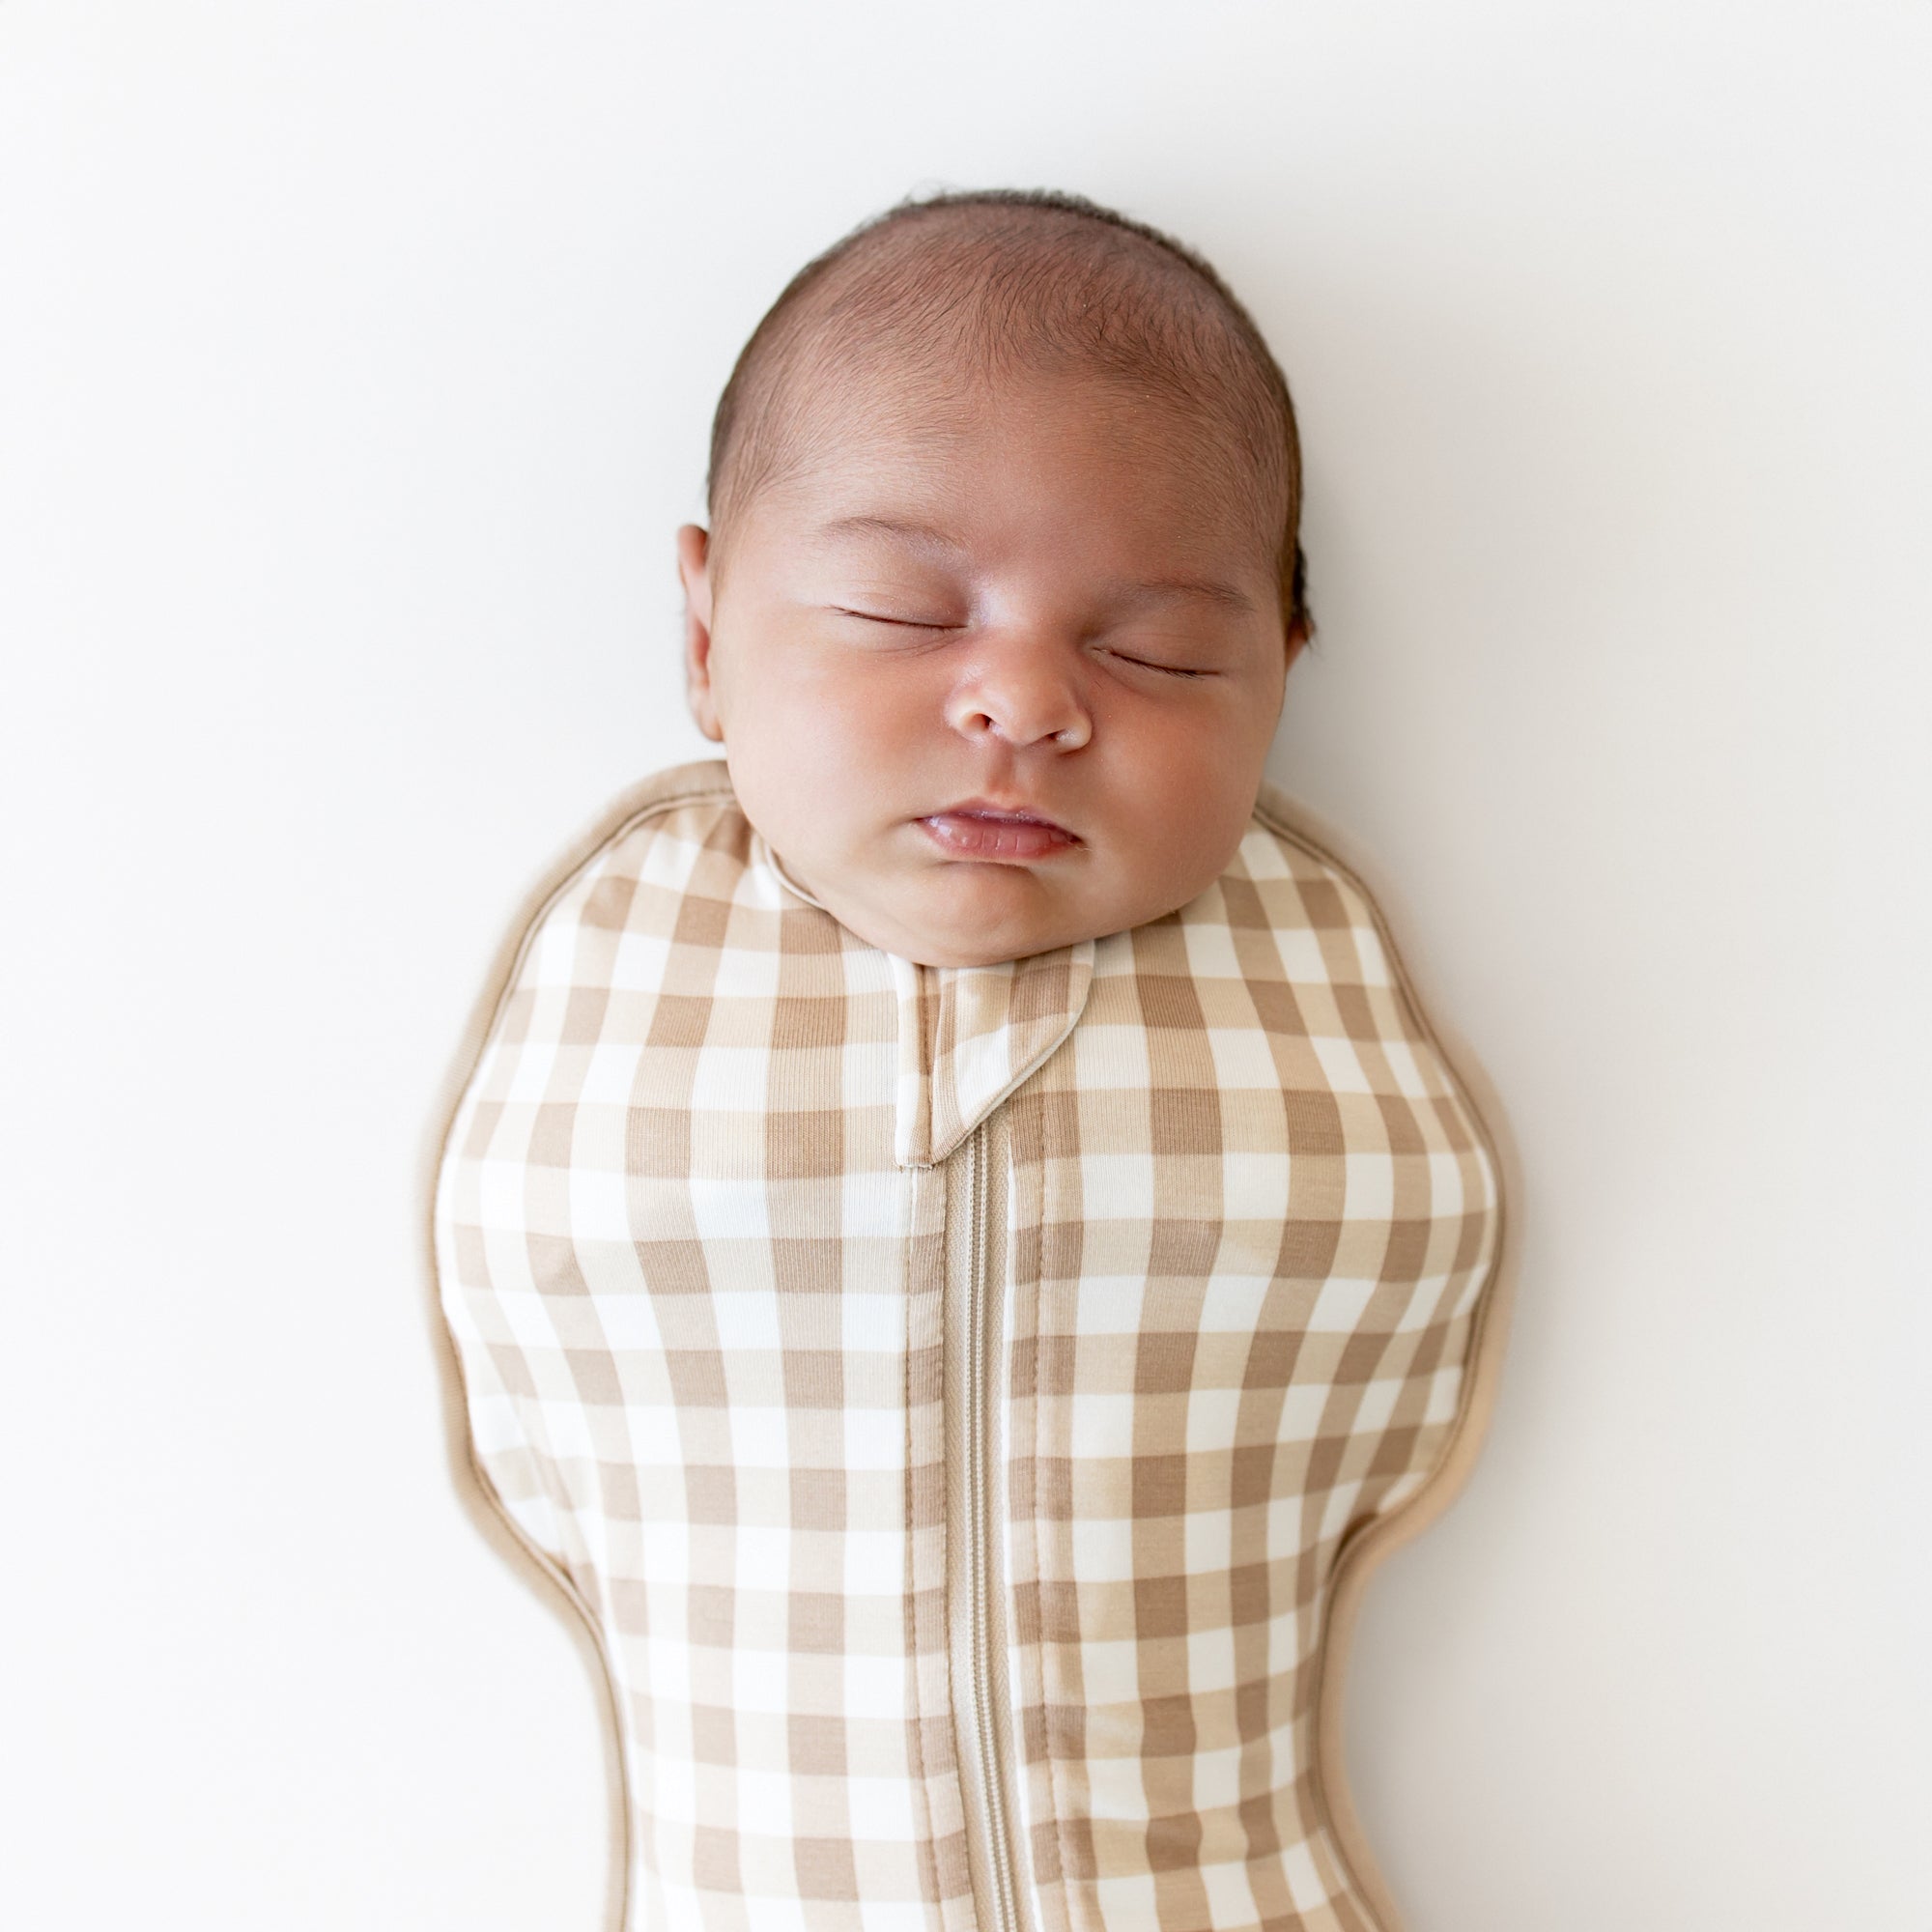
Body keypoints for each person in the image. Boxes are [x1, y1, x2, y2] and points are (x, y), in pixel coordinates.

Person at [431, 189, 1504, 1932]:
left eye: (1153, 649)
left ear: (1281, 676)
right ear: (703, 631)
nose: (1020, 699)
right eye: (902, 614)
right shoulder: (633, 964)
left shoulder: (1296, 979)